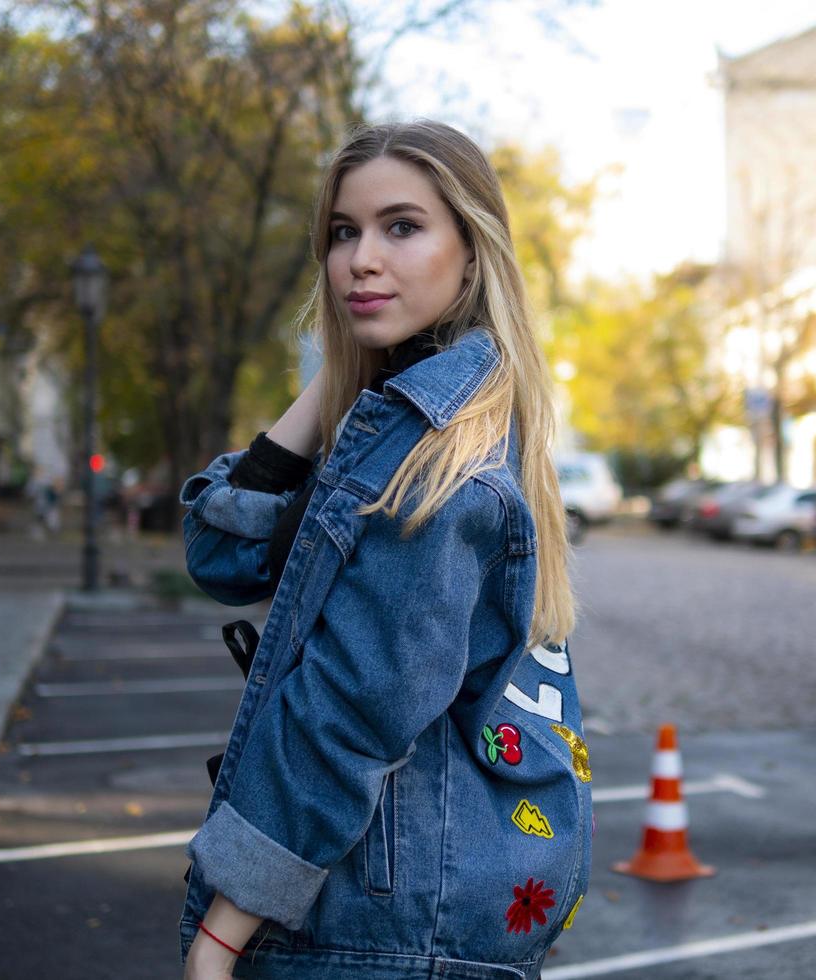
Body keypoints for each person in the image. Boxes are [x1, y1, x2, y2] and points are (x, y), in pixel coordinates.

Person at [178, 121, 592, 980]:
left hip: (379, 931)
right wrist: (337, 376)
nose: (361, 259)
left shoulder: (440, 463)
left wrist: (216, 944)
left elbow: (350, 711)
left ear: (471, 254)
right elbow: (221, 554)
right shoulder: (390, 426)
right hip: (400, 920)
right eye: (343, 232)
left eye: (401, 227)